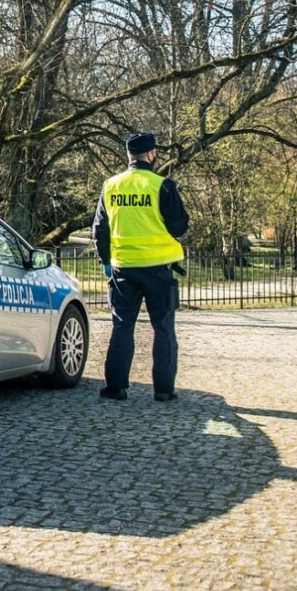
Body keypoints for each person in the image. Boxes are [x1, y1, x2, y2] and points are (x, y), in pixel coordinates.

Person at [92, 131, 189, 402]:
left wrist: (106, 261)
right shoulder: (163, 186)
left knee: (122, 326)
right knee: (163, 328)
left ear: (129, 155)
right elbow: (179, 226)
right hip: (158, 268)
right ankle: (163, 390)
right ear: (151, 154)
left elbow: (100, 229)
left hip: (123, 268)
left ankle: (115, 387)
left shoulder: (111, 186)